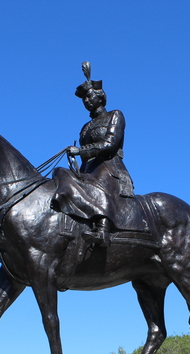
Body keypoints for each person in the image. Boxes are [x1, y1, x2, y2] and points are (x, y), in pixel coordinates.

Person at [54, 62, 136, 248]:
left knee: (98, 182)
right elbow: (84, 155)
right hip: (88, 168)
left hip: (109, 166)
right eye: (84, 99)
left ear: (100, 96)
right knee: (61, 173)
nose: (87, 101)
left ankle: (103, 229)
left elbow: (109, 144)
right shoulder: (85, 127)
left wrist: (80, 150)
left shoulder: (115, 115)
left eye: (90, 96)